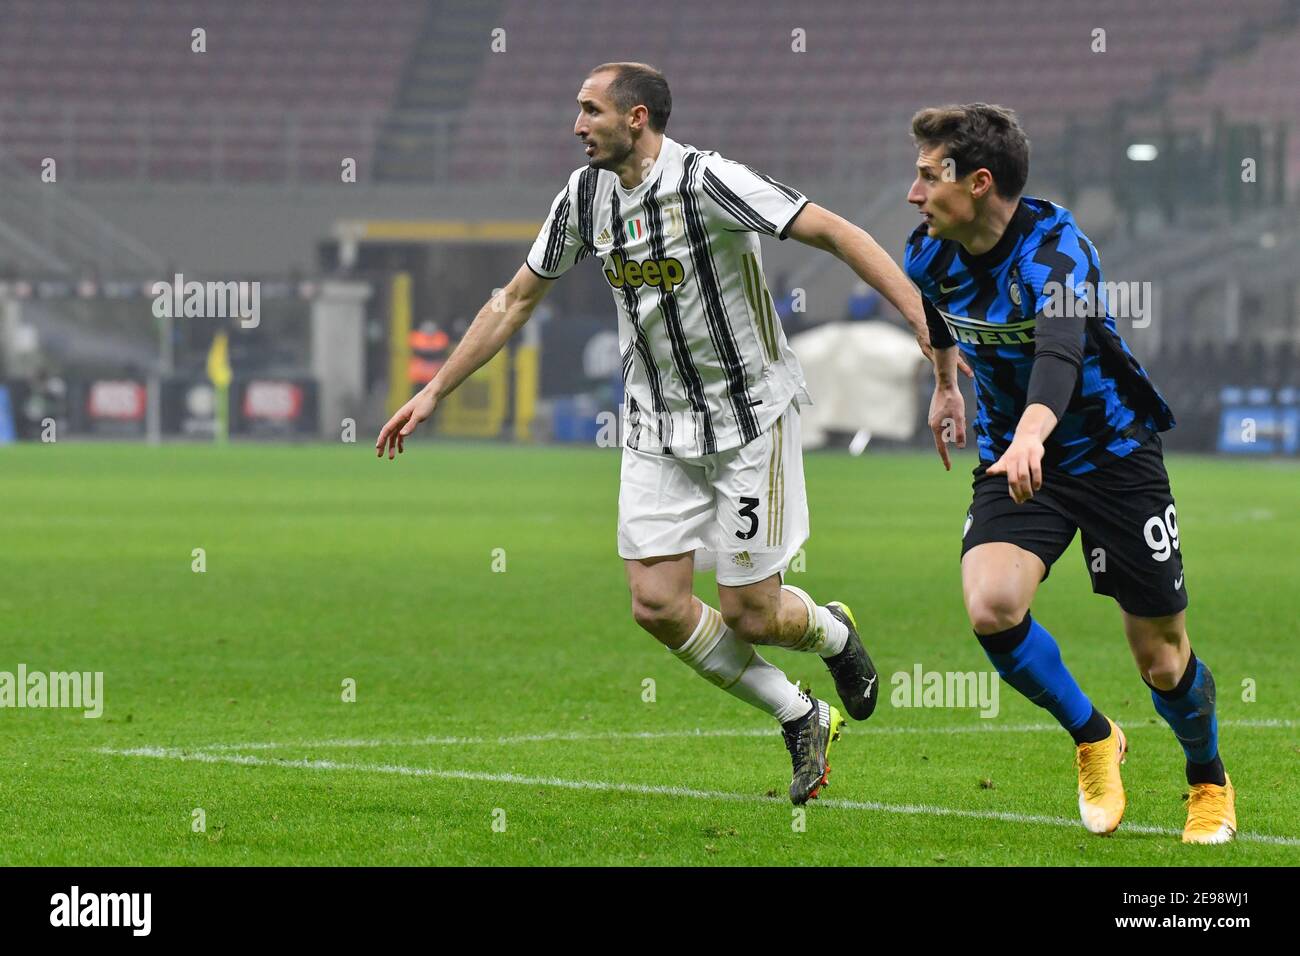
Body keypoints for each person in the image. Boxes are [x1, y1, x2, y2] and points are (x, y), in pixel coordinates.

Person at [378, 62, 951, 804]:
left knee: (752, 612)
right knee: (655, 604)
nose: (577, 125)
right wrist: (434, 391)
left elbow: (835, 233)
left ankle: (833, 634)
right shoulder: (584, 196)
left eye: (590, 110)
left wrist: (921, 322)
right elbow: (515, 300)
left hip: (749, 423)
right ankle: (800, 713)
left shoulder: (710, 181)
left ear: (637, 117)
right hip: (654, 427)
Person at [906, 103, 1234, 843]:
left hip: (1111, 455)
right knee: (991, 606)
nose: (914, 193)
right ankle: (1093, 735)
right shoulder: (928, 251)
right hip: (1016, 459)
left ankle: (1208, 778)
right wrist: (945, 384)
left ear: (980, 182)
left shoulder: (1059, 252)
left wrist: (1030, 432)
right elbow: (938, 311)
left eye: (929, 176)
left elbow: (1061, 352)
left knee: (1160, 659)